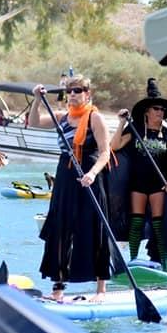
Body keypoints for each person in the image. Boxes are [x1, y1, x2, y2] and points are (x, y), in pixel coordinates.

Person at [29, 76, 112, 301]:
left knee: (94, 229)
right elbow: (34, 122)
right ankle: (57, 290)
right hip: (66, 176)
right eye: (70, 91)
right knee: (60, 229)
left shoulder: (95, 118)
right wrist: (37, 99)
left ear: (87, 93)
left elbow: (105, 152)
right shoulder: (61, 117)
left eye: (78, 90)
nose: (73, 94)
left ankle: (101, 289)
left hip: (89, 175)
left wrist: (92, 174)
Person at [110, 79, 167, 271]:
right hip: (137, 184)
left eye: (162, 110)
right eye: (156, 109)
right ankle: (134, 260)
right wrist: (121, 123)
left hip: (158, 186)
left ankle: (164, 264)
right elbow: (114, 146)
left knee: (159, 226)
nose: (160, 112)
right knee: (135, 222)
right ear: (147, 111)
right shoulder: (134, 129)